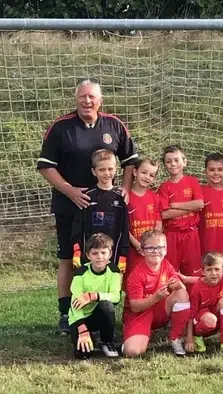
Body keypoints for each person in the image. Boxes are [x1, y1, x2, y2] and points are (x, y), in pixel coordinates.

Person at [37, 79, 137, 333]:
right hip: (70, 205)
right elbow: (45, 166)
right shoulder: (61, 128)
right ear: (76, 99)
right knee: (69, 258)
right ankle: (66, 313)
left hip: (106, 208)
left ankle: (105, 311)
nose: (87, 101)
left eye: (91, 96)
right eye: (82, 97)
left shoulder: (114, 125)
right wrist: (70, 191)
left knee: (107, 257)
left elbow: (130, 160)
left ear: (100, 100)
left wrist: (124, 188)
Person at [122, 230, 190, 357]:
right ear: (142, 251)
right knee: (132, 352)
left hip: (159, 309)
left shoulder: (166, 265)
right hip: (139, 314)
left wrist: (179, 285)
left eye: (160, 247)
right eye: (150, 248)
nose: (155, 251)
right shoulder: (136, 275)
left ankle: (175, 337)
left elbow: (182, 289)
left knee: (182, 294)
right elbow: (135, 307)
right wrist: (156, 297)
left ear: (166, 249)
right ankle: (132, 336)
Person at [71, 149, 129, 273]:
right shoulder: (86, 196)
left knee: (111, 290)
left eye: (110, 169)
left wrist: (123, 255)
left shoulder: (121, 197)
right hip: (90, 256)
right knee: (90, 288)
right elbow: (77, 226)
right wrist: (77, 250)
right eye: (101, 170)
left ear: (116, 169)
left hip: (112, 256)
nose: (106, 173)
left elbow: (124, 229)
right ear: (94, 171)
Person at [68, 233, 121, 359]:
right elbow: (75, 304)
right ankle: (88, 335)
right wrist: (82, 328)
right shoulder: (80, 273)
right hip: (80, 317)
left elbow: (116, 297)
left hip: (99, 314)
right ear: (88, 255)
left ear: (110, 254)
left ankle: (107, 341)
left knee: (107, 305)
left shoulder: (114, 271)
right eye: (95, 253)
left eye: (103, 252)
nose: (100, 257)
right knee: (83, 354)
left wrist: (93, 296)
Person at [158, 145, 204, 280]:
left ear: (184, 161)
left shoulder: (192, 181)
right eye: (168, 161)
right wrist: (191, 207)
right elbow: (165, 214)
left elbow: (200, 204)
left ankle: (193, 301)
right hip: (171, 234)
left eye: (176, 160)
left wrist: (177, 206)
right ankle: (171, 301)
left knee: (192, 273)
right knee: (170, 273)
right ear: (165, 165)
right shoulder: (164, 187)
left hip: (191, 234)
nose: (173, 164)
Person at [184, 251, 223, 356]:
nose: (213, 273)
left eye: (217, 269)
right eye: (209, 270)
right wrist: (189, 339)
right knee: (210, 320)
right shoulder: (198, 288)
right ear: (203, 272)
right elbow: (190, 315)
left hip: (218, 316)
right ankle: (197, 337)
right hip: (203, 320)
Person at [126, 158, 162, 281]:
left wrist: (153, 243)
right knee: (132, 282)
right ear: (135, 172)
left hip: (151, 249)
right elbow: (123, 227)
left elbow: (158, 223)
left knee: (151, 281)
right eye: (144, 172)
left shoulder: (155, 197)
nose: (147, 177)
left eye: (151, 175)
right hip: (133, 249)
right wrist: (137, 244)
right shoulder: (126, 197)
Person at [199, 153, 223, 272]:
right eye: (211, 170)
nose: (216, 173)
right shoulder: (200, 191)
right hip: (207, 243)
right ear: (205, 171)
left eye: (220, 169)